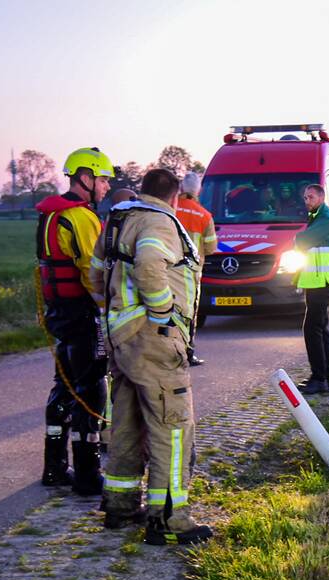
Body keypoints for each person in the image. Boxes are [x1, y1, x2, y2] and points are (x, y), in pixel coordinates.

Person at [91, 168, 213, 543]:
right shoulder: (160, 224)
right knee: (173, 427)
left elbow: (96, 275)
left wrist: (117, 315)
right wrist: (162, 313)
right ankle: (169, 519)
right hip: (155, 339)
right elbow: (148, 266)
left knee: (126, 423)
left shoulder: (119, 219)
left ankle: (120, 506)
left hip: (123, 338)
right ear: (175, 197)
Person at [35, 147, 114, 496]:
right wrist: (108, 310)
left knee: (63, 384)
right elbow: (91, 271)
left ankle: (54, 468)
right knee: (91, 387)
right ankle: (87, 473)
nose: (107, 186)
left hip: (58, 313)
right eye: (103, 179)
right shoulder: (82, 218)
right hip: (83, 313)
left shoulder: (49, 215)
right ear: (85, 177)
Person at [295, 183, 329, 394]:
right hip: (317, 281)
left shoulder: (325, 219)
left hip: (322, 281)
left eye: (311, 197)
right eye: (305, 197)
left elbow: (303, 240)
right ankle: (325, 378)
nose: (307, 201)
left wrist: (298, 239)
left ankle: (320, 378)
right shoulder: (318, 217)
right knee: (320, 329)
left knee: (312, 329)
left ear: (321, 197)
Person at [175, 172, 217, 366]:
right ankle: (188, 352)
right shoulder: (204, 215)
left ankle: (170, 350)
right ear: (198, 190)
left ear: (182, 189)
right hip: (191, 272)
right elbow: (211, 247)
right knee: (190, 313)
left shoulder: (171, 209)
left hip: (168, 268)